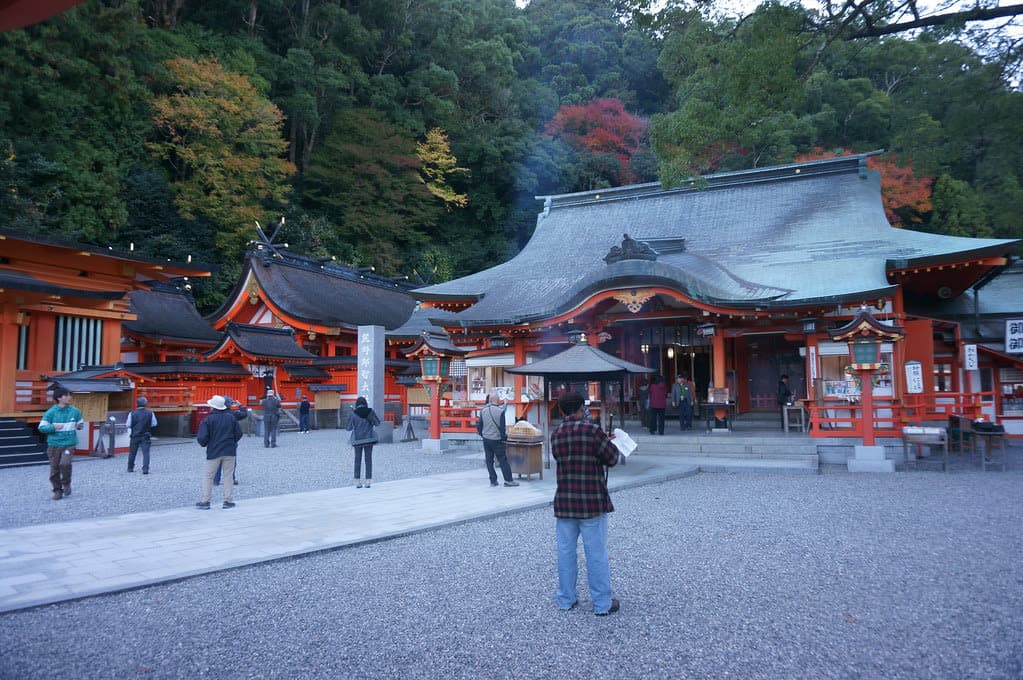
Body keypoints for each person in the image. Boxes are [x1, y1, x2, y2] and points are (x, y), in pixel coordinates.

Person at [551, 391, 620, 616]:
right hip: (591, 501)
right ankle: (602, 604)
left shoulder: (557, 433)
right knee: (596, 553)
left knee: (565, 552)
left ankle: (566, 598)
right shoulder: (593, 431)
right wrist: (608, 442)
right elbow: (611, 458)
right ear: (582, 408)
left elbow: (560, 458)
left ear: (561, 410)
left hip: (565, 501)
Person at [196, 395, 242, 509]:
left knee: (208, 476)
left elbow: (202, 438)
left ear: (212, 407)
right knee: (228, 476)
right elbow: (239, 433)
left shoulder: (208, 420)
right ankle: (228, 501)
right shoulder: (231, 418)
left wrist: (206, 443)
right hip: (229, 450)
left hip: (214, 451)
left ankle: (205, 501)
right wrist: (232, 441)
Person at [38, 387, 84, 500]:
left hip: (69, 443)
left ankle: (66, 483)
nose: (69, 397)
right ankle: (57, 490)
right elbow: (41, 428)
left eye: (69, 395)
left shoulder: (75, 411)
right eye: (66, 395)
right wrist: (53, 427)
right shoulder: (51, 412)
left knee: (65, 464)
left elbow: (80, 424)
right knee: (54, 469)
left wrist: (79, 426)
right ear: (59, 398)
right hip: (54, 444)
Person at [476, 391, 519, 488]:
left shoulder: (483, 411)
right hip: (497, 439)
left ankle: (493, 480)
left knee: (489, 460)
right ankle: (508, 480)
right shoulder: (500, 412)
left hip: (486, 439)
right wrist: (504, 438)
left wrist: (483, 434)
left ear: (490, 400)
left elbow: (479, 425)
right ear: (497, 400)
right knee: (503, 459)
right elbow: (502, 429)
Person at [347, 396, 380, 488]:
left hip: (357, 440)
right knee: (368, 459)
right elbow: (377, 423)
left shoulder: (353, 413)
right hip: (369, 439)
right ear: (365, 403)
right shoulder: (370, 412)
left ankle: (357, 481)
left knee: (357, 460)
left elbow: (348, 428)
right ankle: (368, 481)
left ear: (357, 404)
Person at [214, 397, 247, 486]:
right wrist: (240, 405)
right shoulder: (233, 414)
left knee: (217, 460)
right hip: (230, 441)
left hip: (217, 441)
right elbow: (244, 414)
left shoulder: (212, 416)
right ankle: (230, 479)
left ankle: (216, 480)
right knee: (231, 461)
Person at [125, 396, 157, 474]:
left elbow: (128, 425)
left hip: (135, 435)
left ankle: (130, 467)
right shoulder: (150, 413)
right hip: (145, 435)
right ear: (145, 404)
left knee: (132, 452)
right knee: (146, 453)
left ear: (137, 404)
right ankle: (145, 469)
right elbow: (154, 424)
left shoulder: (132, 413)